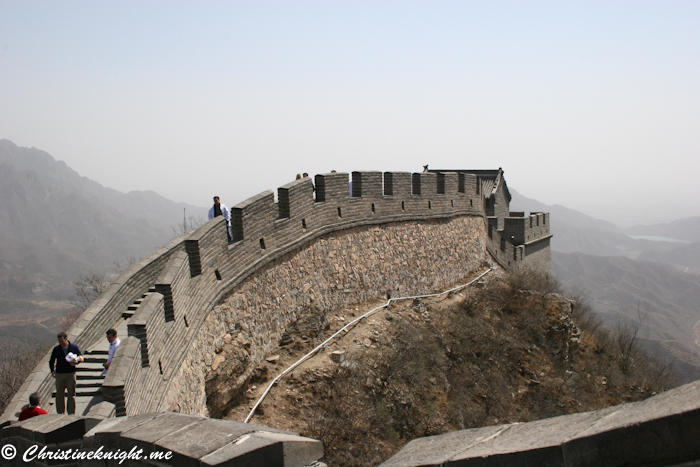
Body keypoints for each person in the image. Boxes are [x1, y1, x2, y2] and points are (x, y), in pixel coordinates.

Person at [49, 332, 83, 415]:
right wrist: (52, 370)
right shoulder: (56, 349)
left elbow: (81, 357)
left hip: (70, 374)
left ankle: (71, 412)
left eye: (62, 341)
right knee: (59, 395)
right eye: (59, 341)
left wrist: (76, 361)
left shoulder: (74, 347)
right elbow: (52, 360)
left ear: (66, 338)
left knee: (71, 394)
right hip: (60, 374)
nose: (61, 343)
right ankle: (60, 412)